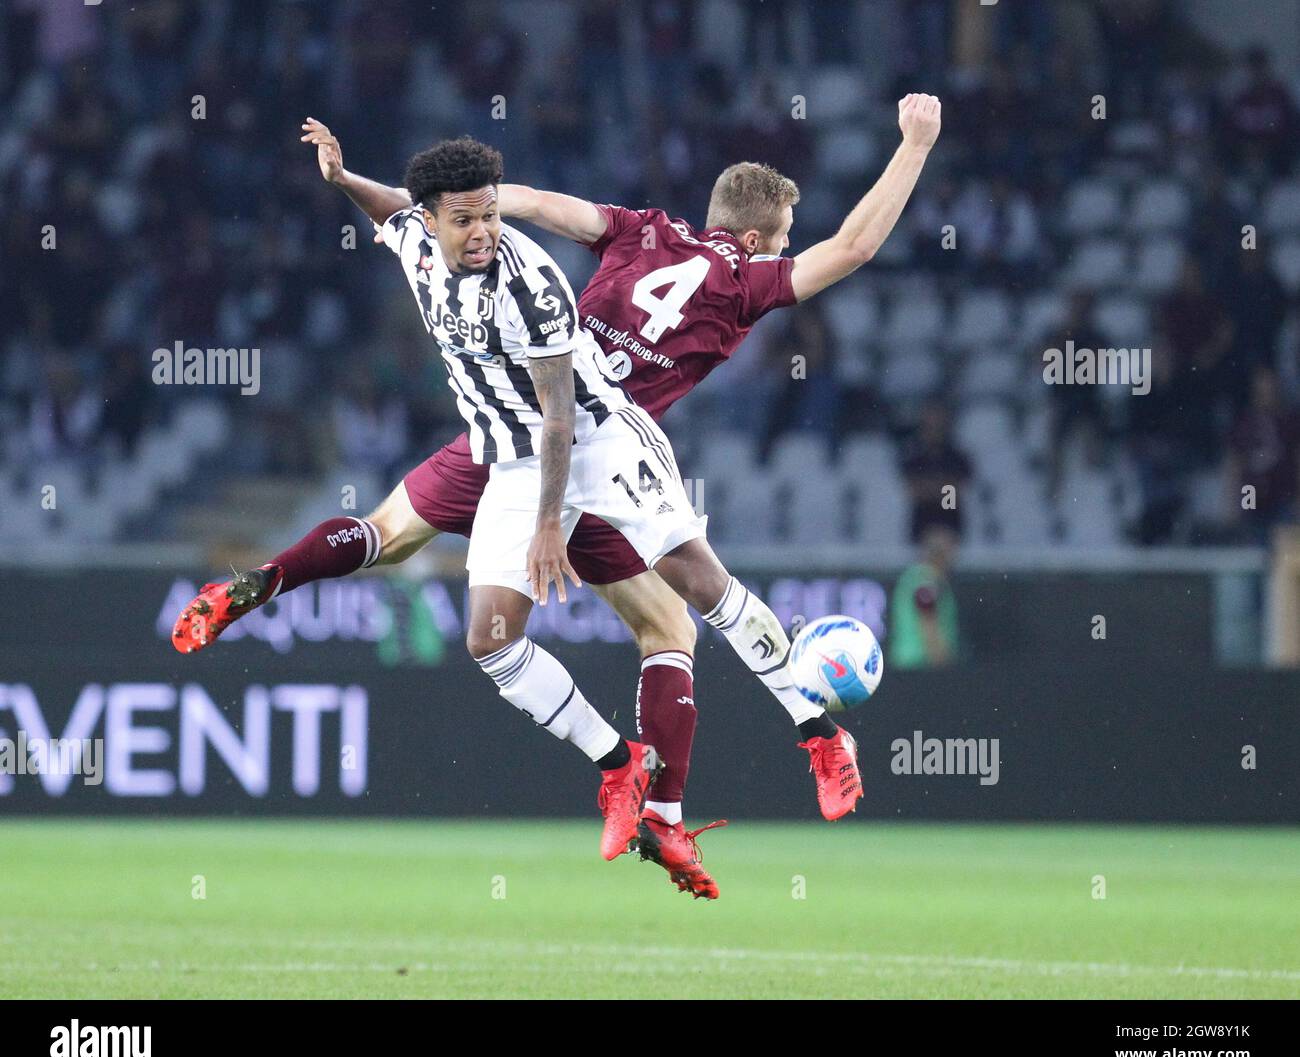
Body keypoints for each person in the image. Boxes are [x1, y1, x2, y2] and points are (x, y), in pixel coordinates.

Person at [175, 95, 941, 895]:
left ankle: (267, 580)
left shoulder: (633, 226)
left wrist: (374, 187)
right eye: (780, 240)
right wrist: (915, 146)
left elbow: (528, 205)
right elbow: (851, 247)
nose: (481, 228)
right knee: (680, 608)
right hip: (553, 442)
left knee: (387, 534)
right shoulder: (744, 279)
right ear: (755, 241)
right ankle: (742, 772)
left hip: (542, 435)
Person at [890, 526, 960, 669]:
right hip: (921, 665)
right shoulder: (926, 580)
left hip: (908, 663)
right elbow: (928, 624)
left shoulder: (914, 577)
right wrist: (942, 662)